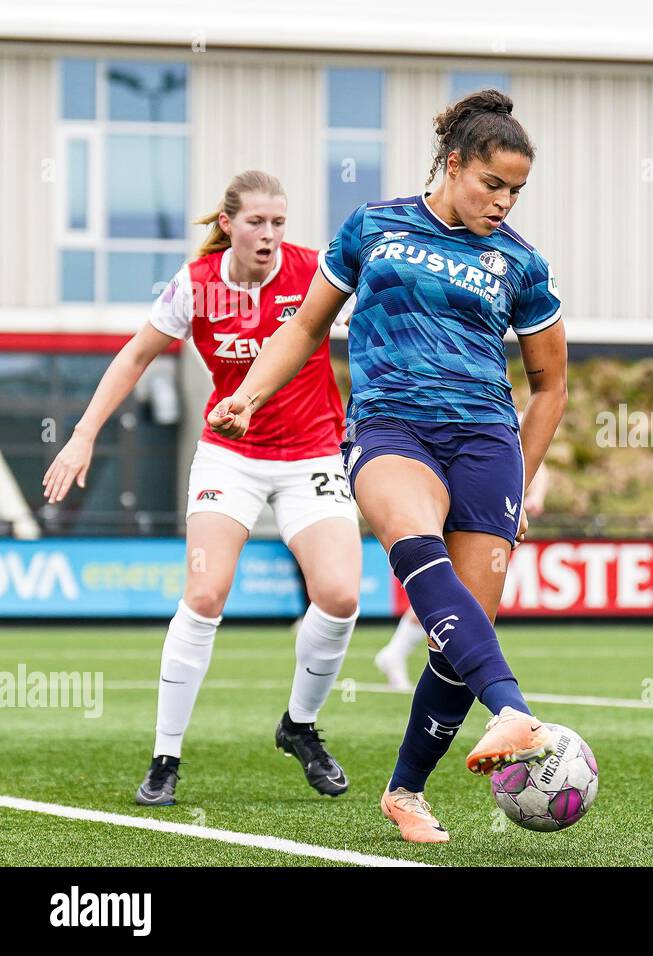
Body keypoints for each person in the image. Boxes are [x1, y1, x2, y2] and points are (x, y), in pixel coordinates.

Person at [206, 90, 568, 844]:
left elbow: (551, 385)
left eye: (516, 192)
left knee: (454, 635)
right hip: (391, 426)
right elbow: (306, 324)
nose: (502, 203)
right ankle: (512, 710)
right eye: (491, 184)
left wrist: (521, 484)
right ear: (456, 162)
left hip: (487, 444)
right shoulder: (374, 226)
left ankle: (405, 792)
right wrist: (246, 394)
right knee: (415, 548)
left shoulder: (522, 263)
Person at [42, 170, 361, 806]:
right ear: (227, 224)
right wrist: (82, 435)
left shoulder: (318, 272)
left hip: (312, 454)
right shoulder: (195, 286)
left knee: (341, 595)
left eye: (279, 222)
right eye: (256, 223)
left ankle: (299, 727)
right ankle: (165, 757)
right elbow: (134, 356)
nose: (269, 235)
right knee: (207, 591)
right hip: (229, 457)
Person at [374, 461, 550, 692]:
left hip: (485, 503)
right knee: (450, 586)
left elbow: (535, 462)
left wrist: (530, 496)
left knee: (453, 588)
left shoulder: (507, 427)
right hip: (459, 498)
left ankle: (397, 652)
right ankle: (402, 655)